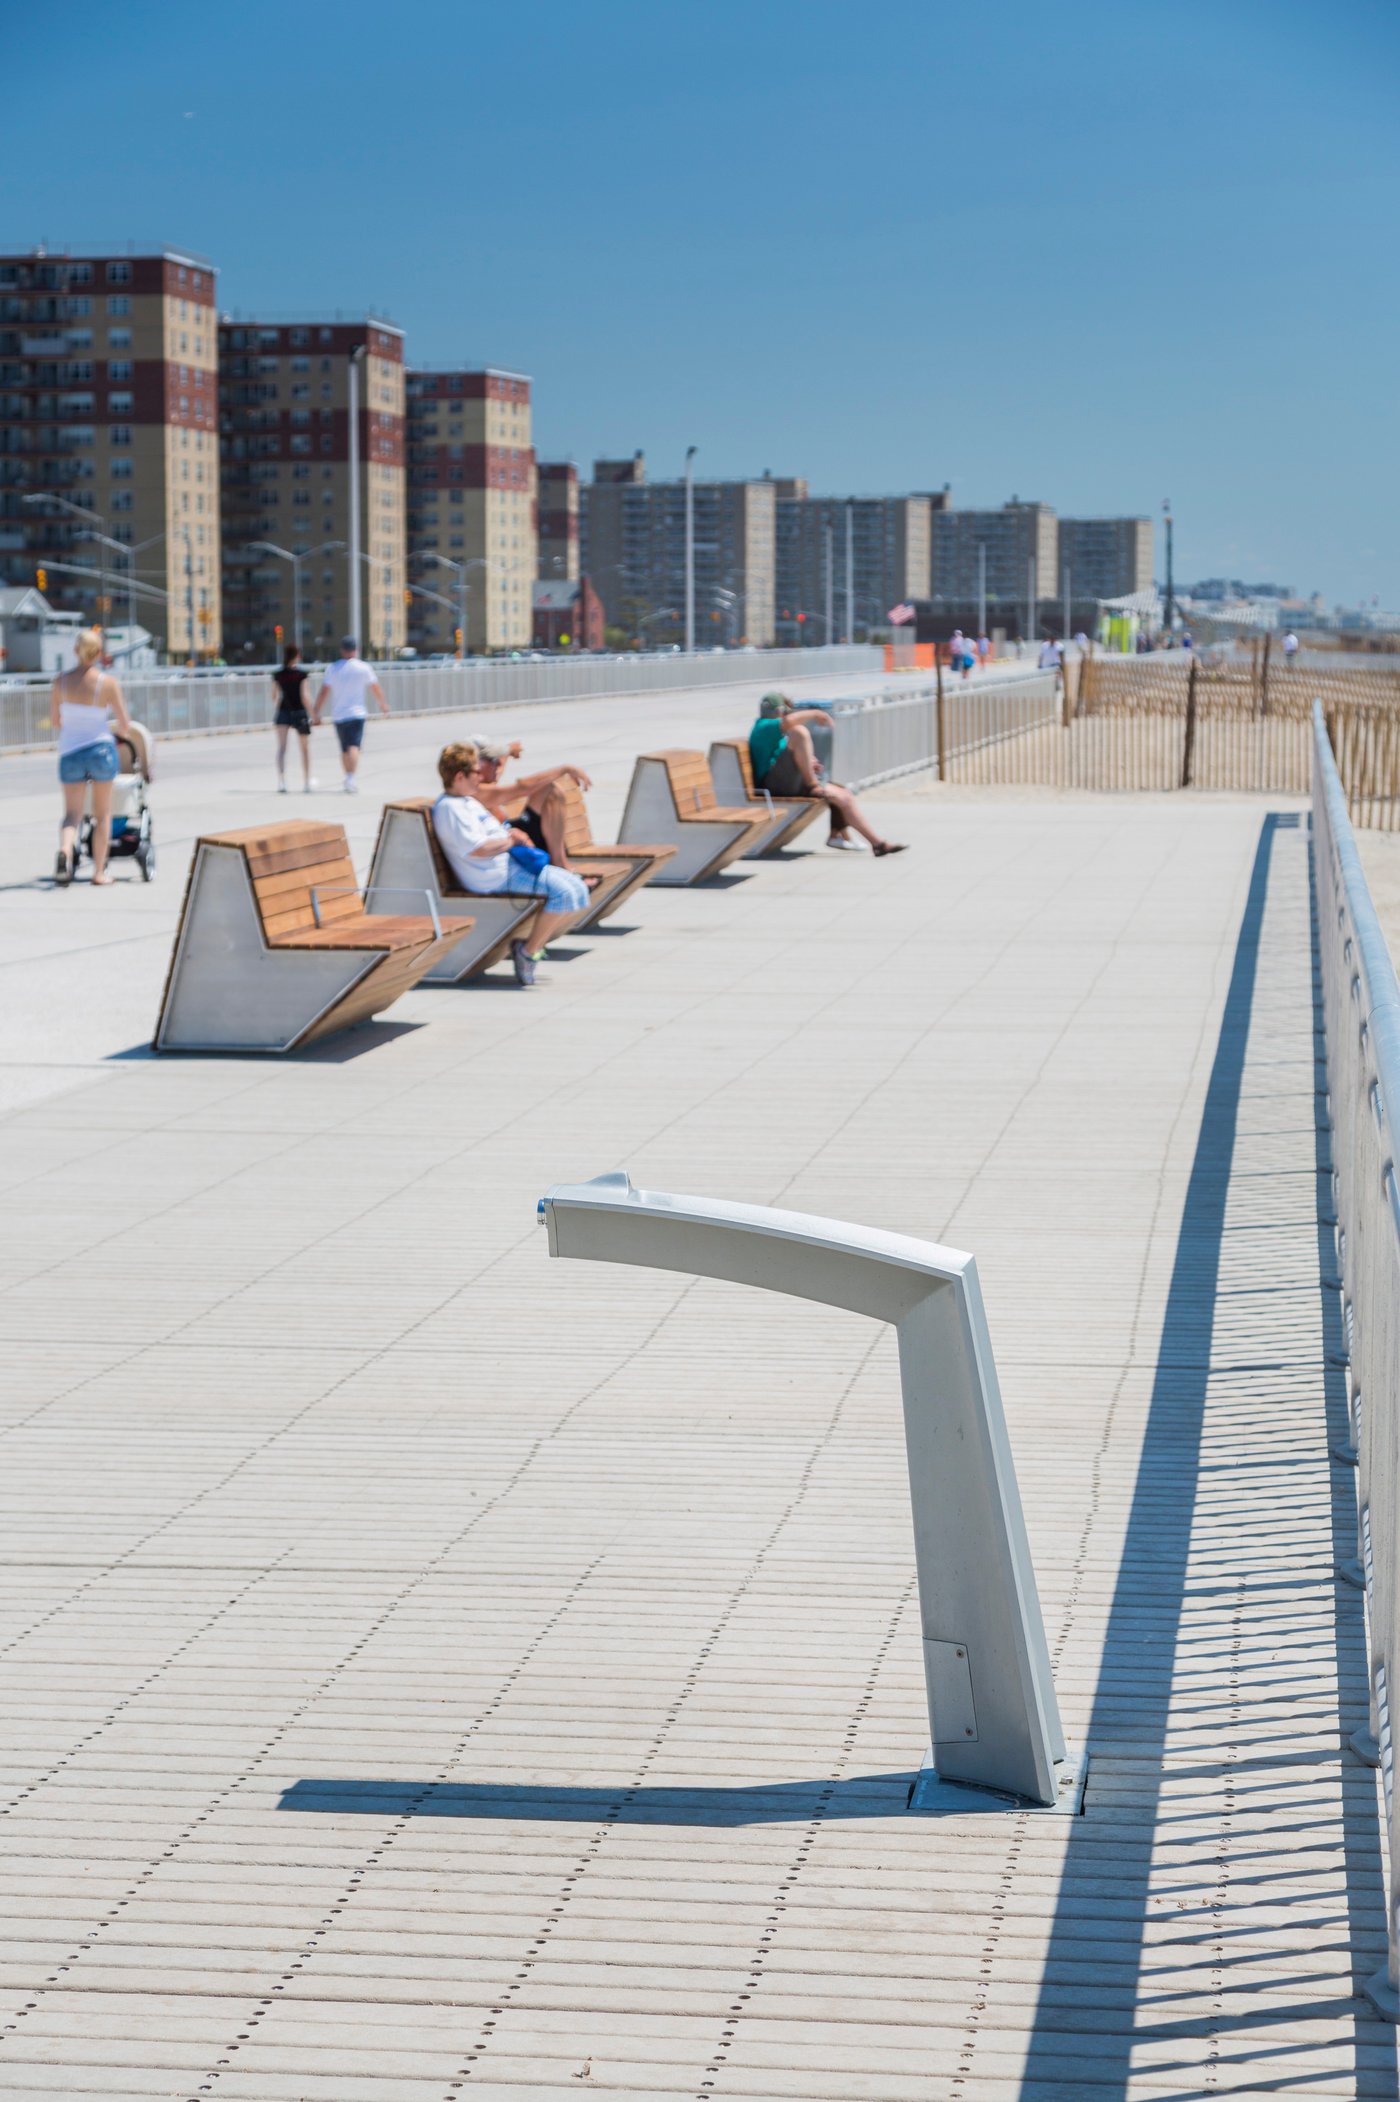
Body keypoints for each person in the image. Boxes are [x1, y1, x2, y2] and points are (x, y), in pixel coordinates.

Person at [432, 740, 590, 986]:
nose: (480, 777)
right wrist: (511, 840)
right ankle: (528, 952)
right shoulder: (451, 809)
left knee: (577, 889)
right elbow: (477, 848)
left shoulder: (467, 801)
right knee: (565, 894)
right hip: (495, 878)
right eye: (476, 772)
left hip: (508, 868)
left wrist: (510, 835)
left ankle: (530, 946)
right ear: (460, 776)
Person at [747, 695, 907, 857]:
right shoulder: (764, 726)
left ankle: (874, 843)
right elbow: (789, 723)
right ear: (779, 711)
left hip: (785, 782)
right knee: (799, 731)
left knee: (844, 795)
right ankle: (814, 788)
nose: (788, 715)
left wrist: (808, 762)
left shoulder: (773, 733)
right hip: (775, 787)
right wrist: (816, 713)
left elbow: (780, 754)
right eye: (787, 712)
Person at [51, 628, 132, 887]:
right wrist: (116, 735)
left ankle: (65, 851)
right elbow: (124, 725)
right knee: (102, 813)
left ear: (76, 651)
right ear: (99, 653)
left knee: (72, 814)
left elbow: (56, 721)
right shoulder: (107, 683)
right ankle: (99, 872)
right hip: (100, 750)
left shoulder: (60, 682)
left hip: (70, 752)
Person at [470, 738, 595, 869]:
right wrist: (565, 769)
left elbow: (500, 765)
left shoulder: (484, 780)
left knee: (550, 789)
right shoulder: (477, 791)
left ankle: (559, 863)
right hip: (512, 846)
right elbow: (522, 788)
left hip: (514, 834)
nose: (498, 764)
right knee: (550, 789)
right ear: (475, 766)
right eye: (493, 760)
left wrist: (509, 750)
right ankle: (560, 865)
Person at [311, 637, 389, 793]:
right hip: (357, 713)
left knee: (344, 749)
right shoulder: (363, 667)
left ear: (342, 650)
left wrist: (316, 711)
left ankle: (348, 776)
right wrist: (383, 704)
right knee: (354, 746)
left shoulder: (333, 668)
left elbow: (324, 692)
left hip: (339, 714)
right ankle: (351, 778)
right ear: (356, 650)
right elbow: (375, 687)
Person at [272, 643, 316, 794]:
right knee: (304, 749)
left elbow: (274, 696)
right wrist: (314, 714)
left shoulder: (278, 674)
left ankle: (282, 782)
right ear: (297, 656)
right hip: (299, 712)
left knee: (282, 748)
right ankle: (306, 782)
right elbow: (305, 696)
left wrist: (280, 704)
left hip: (283, 711)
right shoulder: (302, 674)